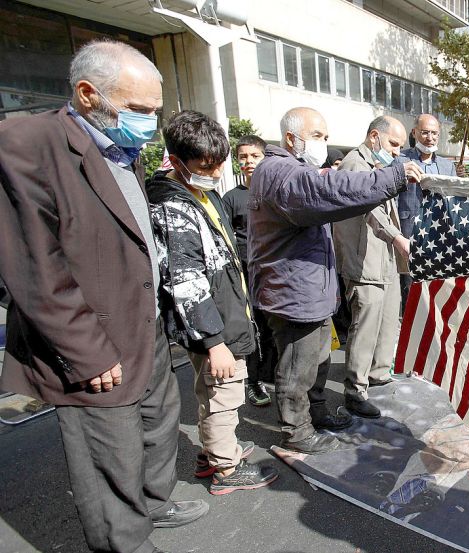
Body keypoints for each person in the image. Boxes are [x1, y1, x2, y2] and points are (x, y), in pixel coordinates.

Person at [0, 40, 208, 553]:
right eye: (138, 110)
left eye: (155, 111)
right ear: (88, 94)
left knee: (157, 426)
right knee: (108, 454)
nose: (149, 123)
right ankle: (124, 540)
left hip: (145, 323)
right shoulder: (27, 143)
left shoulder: (120, 145)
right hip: (94, 340)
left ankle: (154, 502)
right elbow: (34, 268)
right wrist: (86, 351)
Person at [248, 107, 423, 454]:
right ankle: (297, 431)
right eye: (317, 136)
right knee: (297, 366)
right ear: (290, 139)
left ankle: (316, 413)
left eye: (326, 137)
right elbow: (330, 192)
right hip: (294, 293)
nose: (323, 144)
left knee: (317, 359)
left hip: (310, 290)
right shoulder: (282, 173)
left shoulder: (293, 171)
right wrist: (393, 177)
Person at [148, 111, 278, 495]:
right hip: (212, 322)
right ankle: (226, 467)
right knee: (224, 393)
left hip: (221, 311)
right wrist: (214, 341)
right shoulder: (174, 206)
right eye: (207, 165)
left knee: (211, 389)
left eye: (221, 161)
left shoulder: (198, 192)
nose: (218, 170)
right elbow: (185, 280)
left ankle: (215, 450)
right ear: (176, 161)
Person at [333, 116, 411, 418]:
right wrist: (397, 238)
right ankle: (355, 391)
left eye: (401, 147)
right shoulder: (355, 164)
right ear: (374, 136)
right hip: (364, 259)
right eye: (393, 144)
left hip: (385, 259)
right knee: (365, 327)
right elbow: (370, 210)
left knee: (388, 321)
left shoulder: (378, 165)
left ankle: (378, 374)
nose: (396, 152)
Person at [222, 134, 275, 407]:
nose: (248, 162)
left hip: (274, 271)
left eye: (254, 156)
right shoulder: (231, 198)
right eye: (243, 157)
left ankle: (271, 375)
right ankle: (253, 381)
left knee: (273, 327)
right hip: (245, 273)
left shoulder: (276, 192)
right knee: (252, 328)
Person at [397, 114, 455, 310]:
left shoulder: (448, 166)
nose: (430, 137)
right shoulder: (400, 160)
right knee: (410, 288)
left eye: (434, 133)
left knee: (437, 287)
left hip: (439, 237)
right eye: (425, 132)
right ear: (414, 133)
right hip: (409, 235)